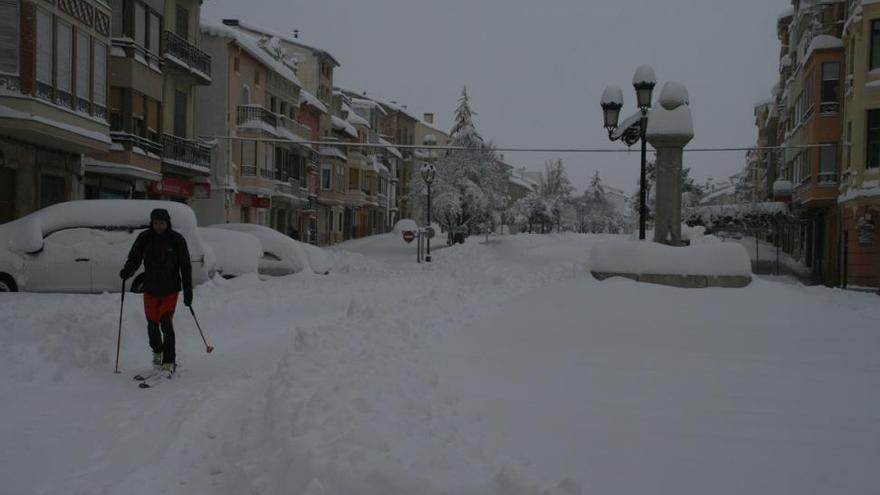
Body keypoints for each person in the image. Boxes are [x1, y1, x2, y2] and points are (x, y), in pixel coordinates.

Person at [120, 208, 193, 375]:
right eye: (155, 223)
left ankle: (169, 361)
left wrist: (188, 292)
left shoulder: (176, 240)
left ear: (168, 222)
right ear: (151, 223)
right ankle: (157, 353)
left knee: (166, 323)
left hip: (170, 289)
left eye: (162, 223)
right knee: (152, 325)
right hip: (151, 288)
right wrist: (128, 271)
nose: (158, 226)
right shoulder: (144, 238)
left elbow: (186, 266)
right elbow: (135, 257)